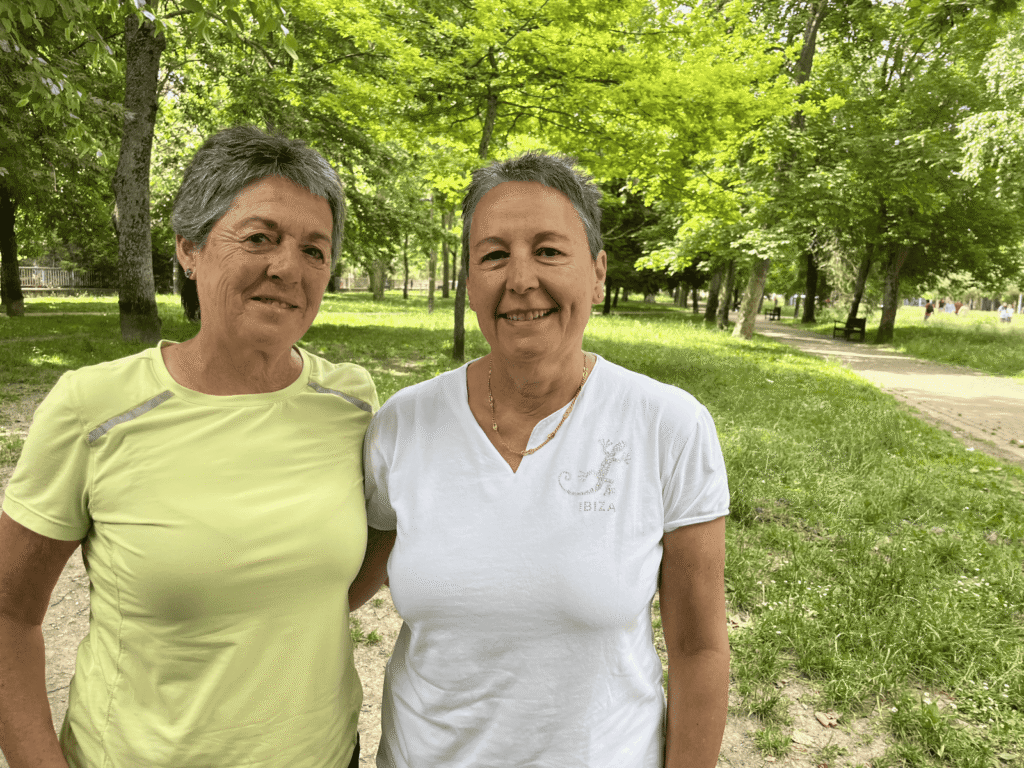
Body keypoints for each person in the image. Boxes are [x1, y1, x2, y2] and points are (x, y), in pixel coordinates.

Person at [0, 126, 376, 768]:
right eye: (259, 238)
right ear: (189, 248)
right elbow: (9, 612)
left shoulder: (351, 402)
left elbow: (380, 536)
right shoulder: (94, 408)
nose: (288, 268)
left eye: (315, 249)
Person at [360, 151, 731, 768]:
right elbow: (334, 583)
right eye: (494, 255)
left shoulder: (668, 425)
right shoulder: (403, 424)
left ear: (598, 274)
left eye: (549, 251)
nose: (520, 279)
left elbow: (698, 648)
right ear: (470, 282)